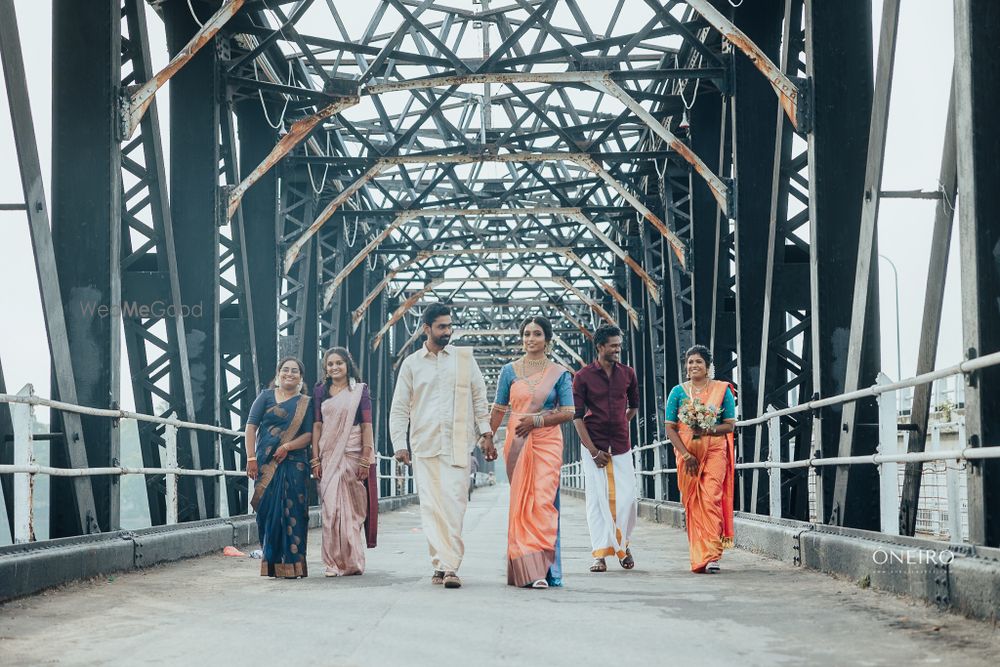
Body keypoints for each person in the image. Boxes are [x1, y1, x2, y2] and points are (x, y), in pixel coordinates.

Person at [389, 303, 494, 589]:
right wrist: (399, 443)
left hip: (459, 443)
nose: (448, 331)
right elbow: (399, 407)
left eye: (450, 326)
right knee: (432, 507)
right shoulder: (411, 364)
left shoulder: (464, 359)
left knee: (454, 505)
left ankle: (447, 563)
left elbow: (479, 398)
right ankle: (445, 566)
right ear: (427, 329)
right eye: (442, 327)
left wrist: (486, 433)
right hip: (424, 443)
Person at [490, 316, 575, 588]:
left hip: (547, 441)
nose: (530, 338)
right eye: (526, 333)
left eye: (537, 334)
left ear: (547, 340)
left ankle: (542, 569)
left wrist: (537, 420)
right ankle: (528, 568)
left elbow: (569, 412)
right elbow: (499, 408)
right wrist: (487, 437)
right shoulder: (509, 371)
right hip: (517, 441)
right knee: (521, 505)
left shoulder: (559, 373)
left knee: (542, 502)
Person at [572, 324, 639, 573]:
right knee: (597, 501)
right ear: (600, 347)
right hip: (594, 444)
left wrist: (621, 422)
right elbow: (577, 417)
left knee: (628, 500)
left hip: (621, 444)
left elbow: (633, 406)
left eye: (619, 345)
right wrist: (592, 451)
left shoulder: (628, 374)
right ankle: (600, 554)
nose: (617, 349)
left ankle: (623, 543)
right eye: (613, 345)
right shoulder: (583, 377)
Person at [664, 344, 737, 574]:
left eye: (698, 362)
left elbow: (729, 425)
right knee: (694, 503)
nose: (693, 366)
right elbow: (669, 428)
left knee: (711, 497)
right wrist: (686, 455)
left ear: (708, 367)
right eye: (690, 362)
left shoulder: (722, 390)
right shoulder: (677, 392)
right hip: (687, 453)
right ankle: (699, 554)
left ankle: (712, 556)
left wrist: (708, 430)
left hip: (715, 449)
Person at [245, 356, 314, 578]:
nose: (290, 374)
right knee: (266, 512)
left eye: (295, 371)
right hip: (266, 463)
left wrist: (288, 446)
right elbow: (251, 427)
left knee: (294, 512)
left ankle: (293, 566)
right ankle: (272, 563)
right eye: (285, 370)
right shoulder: (265, 397)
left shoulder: (305, 403)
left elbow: (309, 435)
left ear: (301, 377)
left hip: (295, 464)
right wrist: (251, 458)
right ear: (278, 373)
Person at [311, 347, 377, 577]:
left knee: (353, 513)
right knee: (331, 510)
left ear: (348, 364)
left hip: (353, 453)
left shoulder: (359, 391)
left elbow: (367, 425)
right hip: (328, 456)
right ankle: (331, 563)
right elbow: (317, 425)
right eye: (330, 364)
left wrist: (366, 458)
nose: (334, 367)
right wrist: (314, 459)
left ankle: (351, 562)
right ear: (325, 368)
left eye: (339, 363)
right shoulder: (320, 391)